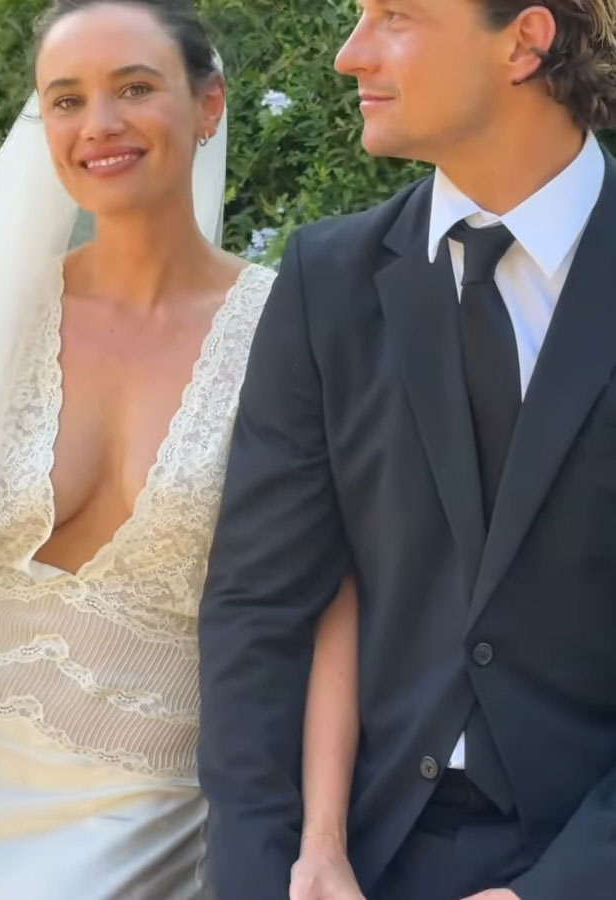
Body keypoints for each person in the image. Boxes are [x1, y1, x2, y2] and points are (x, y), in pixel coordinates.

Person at [198, 1, 616, 899]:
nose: (350, 55)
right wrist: (275, 872)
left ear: (524, 41)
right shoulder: (327, 283)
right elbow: (257, 615)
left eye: (395, 15)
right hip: (359, 857)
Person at [0, 1, 281, 897]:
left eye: (134, 88)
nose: (100, 125)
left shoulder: (290, 326)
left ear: (210, 105)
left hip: (154, 805)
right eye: (66, 100)